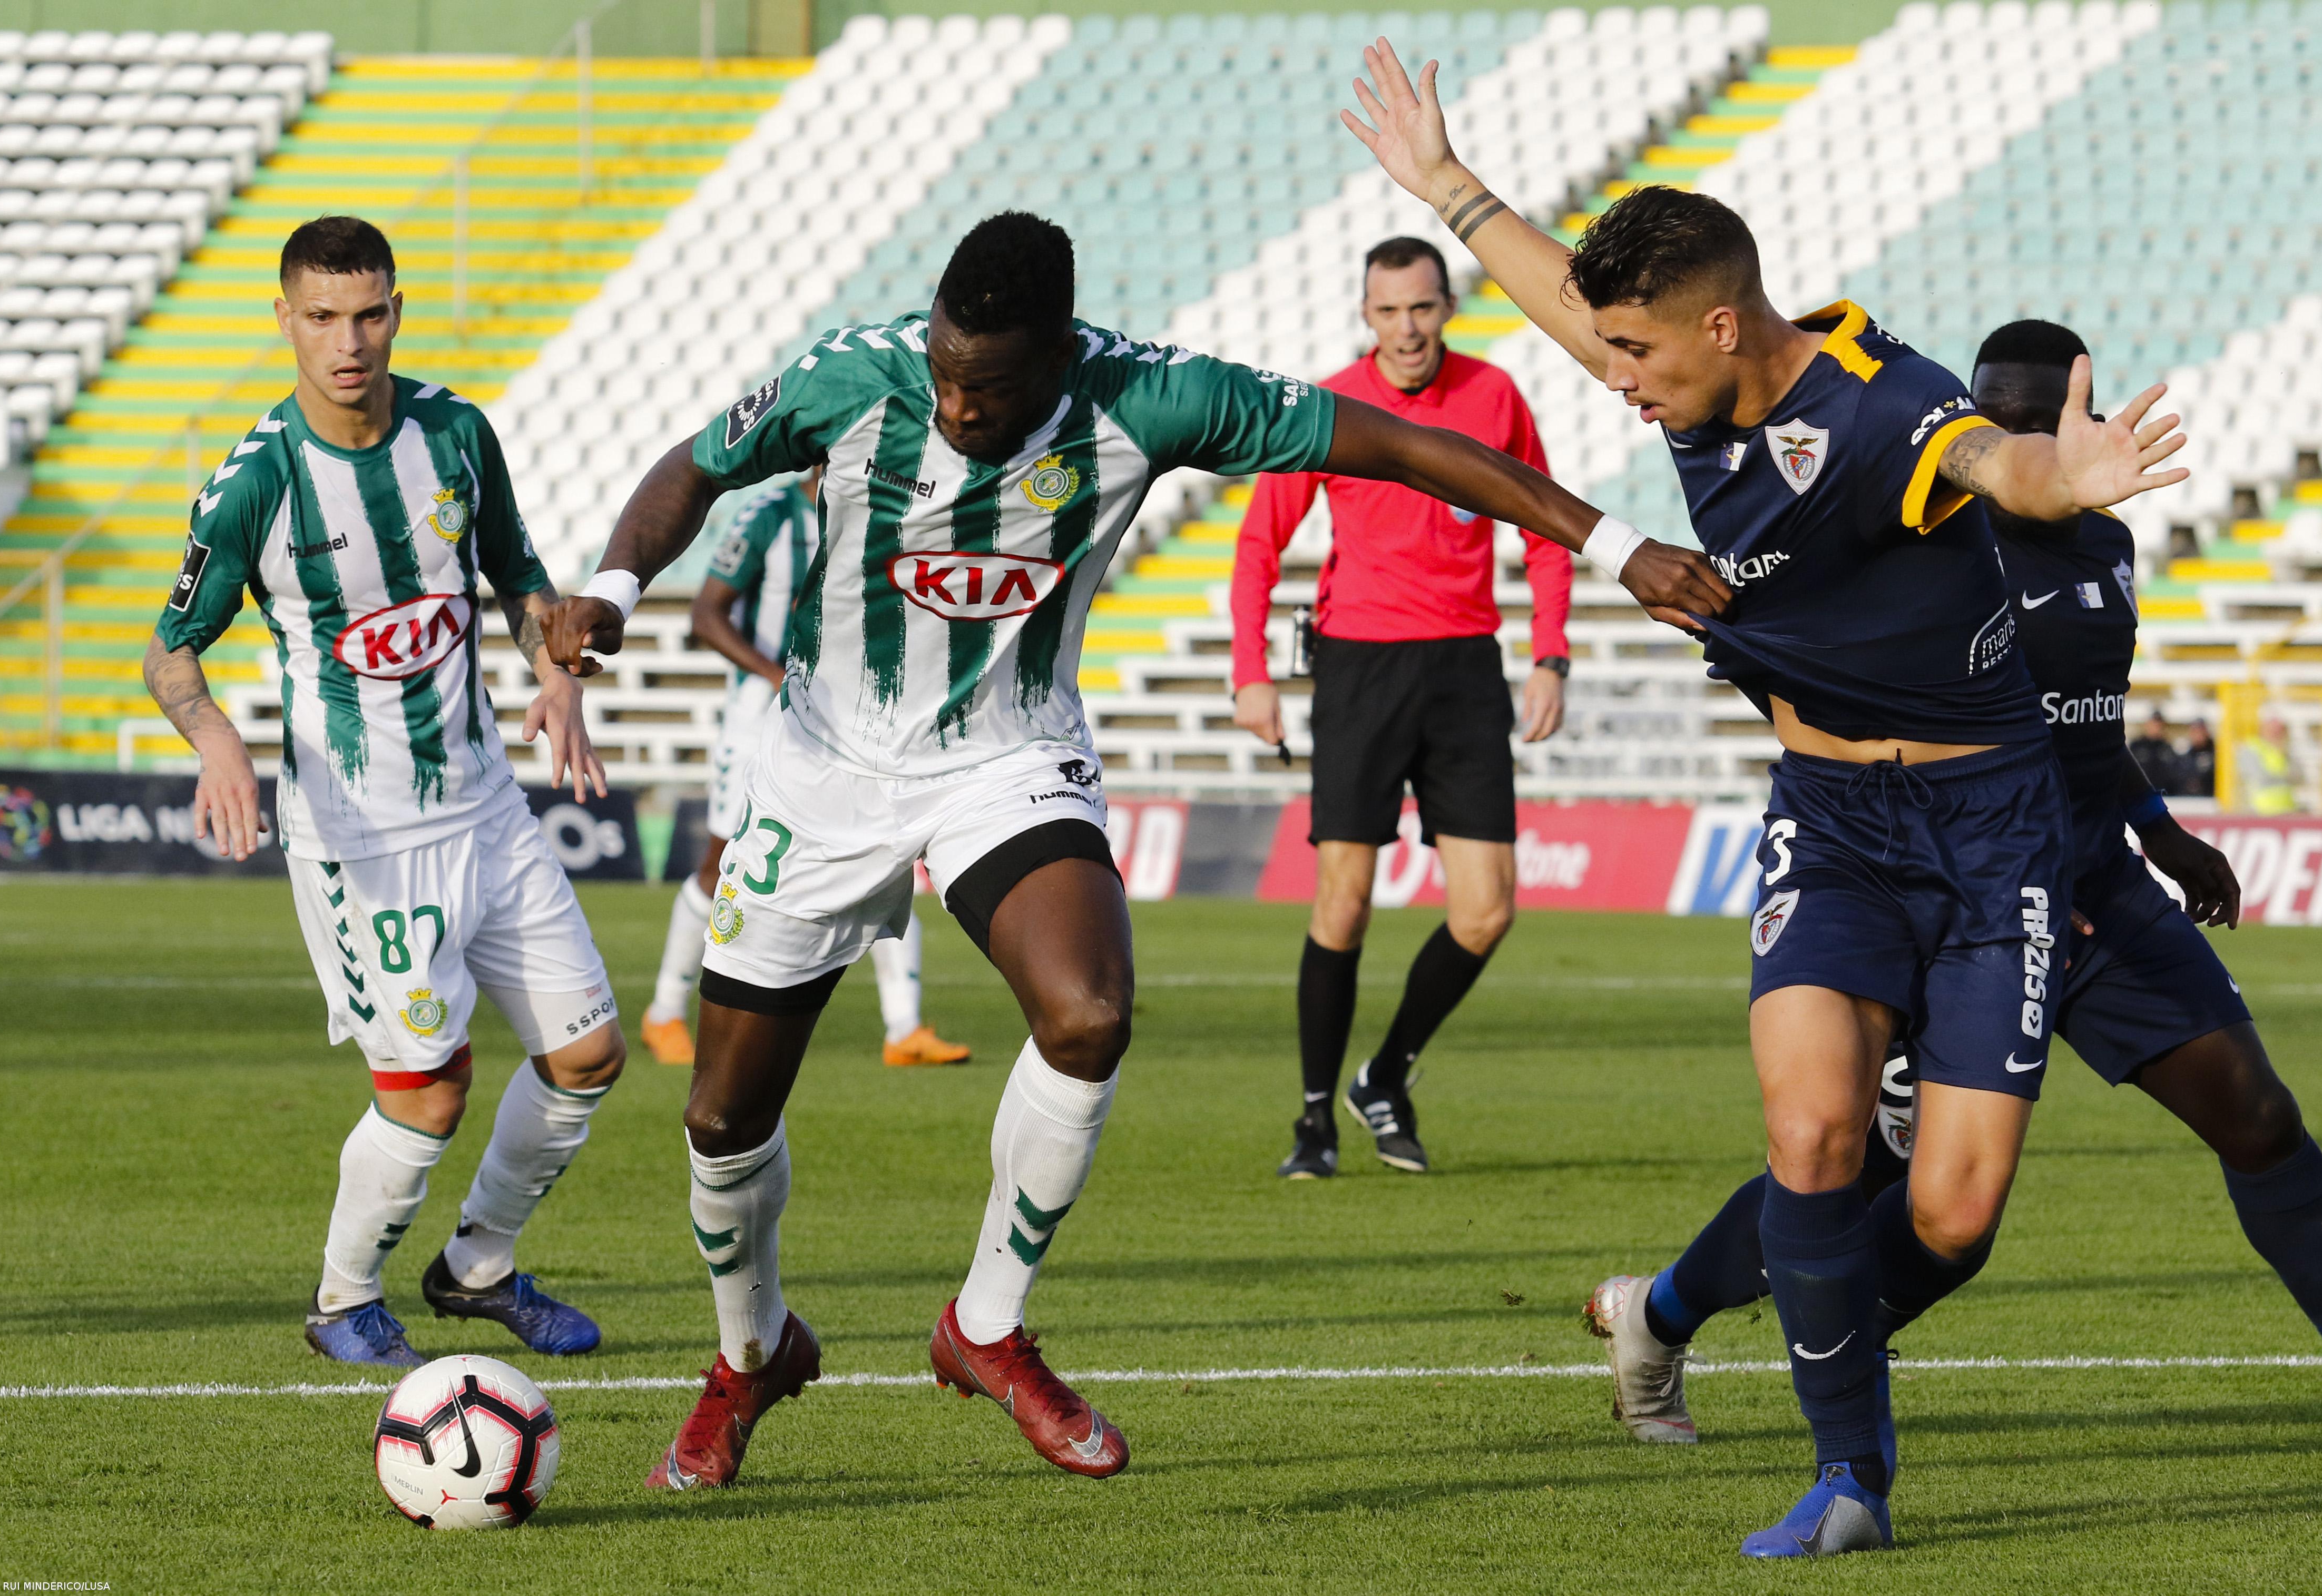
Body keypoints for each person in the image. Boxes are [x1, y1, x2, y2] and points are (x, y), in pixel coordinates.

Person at [542, 212, 1727, 1492]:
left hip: (1005, 758)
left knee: (1088, 1013)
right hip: (822, 769)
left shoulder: (1149, 396)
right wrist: (611, 586)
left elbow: (1407, 446)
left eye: (986, 387)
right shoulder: (855, 374)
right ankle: (748, 1352)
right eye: (943, 374)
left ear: (1056, 355)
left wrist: (1611, 547)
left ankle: (984, 1324)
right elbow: (691, 465)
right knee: (721, 1116)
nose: (955, 405)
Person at [1348, 44, 2186, 1556]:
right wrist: (1454, 192)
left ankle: (1660, 1309)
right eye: (1612, 356)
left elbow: (1994, 462)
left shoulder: (1879, 409)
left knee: (1949, 1215)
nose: (1618, 380)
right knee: (1810, 1129)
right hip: (1831, 816)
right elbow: (1569, 300)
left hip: (1994, 829)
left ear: (1722, 327)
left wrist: (2075, 475)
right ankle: (1849, 1476)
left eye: (1639, 358)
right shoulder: (1688, 378)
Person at [1587, 321, 2322, 1455]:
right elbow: (1817, 694)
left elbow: (2078, 725)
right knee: (1868, 1174)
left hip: (2091, 892)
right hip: (1944, 894)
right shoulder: (1920, 550)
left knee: (2253, 1112)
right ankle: (1658, 1313)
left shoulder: (2102, 544)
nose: (2009, 443)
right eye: (1991, 421)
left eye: (2034, 421)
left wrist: (2160, 833)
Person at [142, 215, 626, 1368]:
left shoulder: (456, 433)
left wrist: (554, 671)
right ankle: (341, 1298)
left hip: (489, 808)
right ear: (284, 321)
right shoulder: (255, 482)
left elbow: (516, 577)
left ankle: (477, 1269)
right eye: (320, 317)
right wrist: (215, 739)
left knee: (589, 1057)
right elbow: (170, 652)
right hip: (364, 838)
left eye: (367, 313)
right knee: (429, 1092)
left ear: (396, 309)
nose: (346, 341)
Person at [1230, 235, 1573, 1179]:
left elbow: (1544, 525)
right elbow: (1260, 541)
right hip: (1360, 666)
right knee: (1342, 902)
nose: (1406, 327)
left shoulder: (1493, 396)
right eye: (1388, 311)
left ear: (1446, 306)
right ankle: (1312, 1119)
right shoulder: (1331, 403)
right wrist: (1248, 672)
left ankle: (1383, 1074)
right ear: (1365, 316)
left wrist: (1551, 652)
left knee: (1486, 910)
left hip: (1465, 665)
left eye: (1421, 308)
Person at [639, 471, 972, 1070]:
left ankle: (904, 1028)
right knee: (722, 868)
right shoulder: (770, 513)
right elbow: (706, 615)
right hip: (760, 715)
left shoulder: (891, 511)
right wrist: (774, 676)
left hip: (857, 719)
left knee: (885, 859)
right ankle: (664, 1013)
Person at [2240, 710, 2298, 814]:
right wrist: (2284, 776)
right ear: (2263, 728)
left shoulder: (2284, 750)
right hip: (2260, 810)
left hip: (2287, 810)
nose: (2276, 733)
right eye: (2273, 729)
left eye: (2279, 730)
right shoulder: (2252, 748)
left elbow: (2300, 777)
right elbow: (2260, 777)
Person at [2128, 710, 2182, 794]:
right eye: (2154, 724)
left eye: (2159, 725)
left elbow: (2174, 775)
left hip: (2163, 795)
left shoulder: (2167, 748)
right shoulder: (2136, 746)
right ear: (2147, 725)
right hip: (2139, 795)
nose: (2157, 728)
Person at [2182, 715, 2218, 798]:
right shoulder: (2185, 757)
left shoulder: (2215, 756)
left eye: (2200, 731)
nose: (2198, 735)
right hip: (2189, 801)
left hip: (2210, 801)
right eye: (2195, 732)